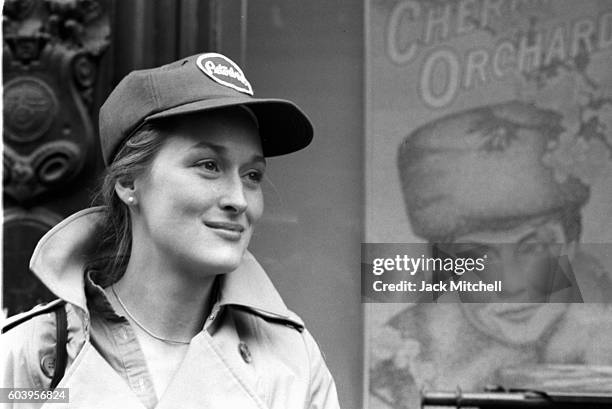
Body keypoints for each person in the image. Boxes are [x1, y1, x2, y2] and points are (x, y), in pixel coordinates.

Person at [1, 52, 340, 409]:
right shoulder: (32, 356)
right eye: (209, 165)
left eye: (252, 175)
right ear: (129, 181)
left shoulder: (293, 361)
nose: (239, 200)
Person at [369, 101, 612, 409]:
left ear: (572, 244)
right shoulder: (398, 360)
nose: (511, 285)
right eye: (481, 258)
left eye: (533, 249)